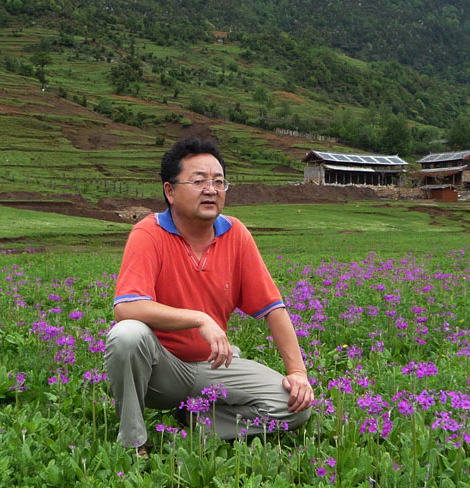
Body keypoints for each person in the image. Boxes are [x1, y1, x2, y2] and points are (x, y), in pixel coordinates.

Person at [105, 136, 314, 455]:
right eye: (198, 180)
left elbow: (274, 308)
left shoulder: (236, 234)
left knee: (295, 407)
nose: (211, 189)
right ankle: (134, 442)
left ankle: (196, 417)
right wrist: (198, 318)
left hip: (215, 366)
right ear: (170, 191)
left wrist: (298, 373)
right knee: (127, 335)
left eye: (219, 181)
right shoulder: (149, 234)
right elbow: (126, 307)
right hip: (162, 372)